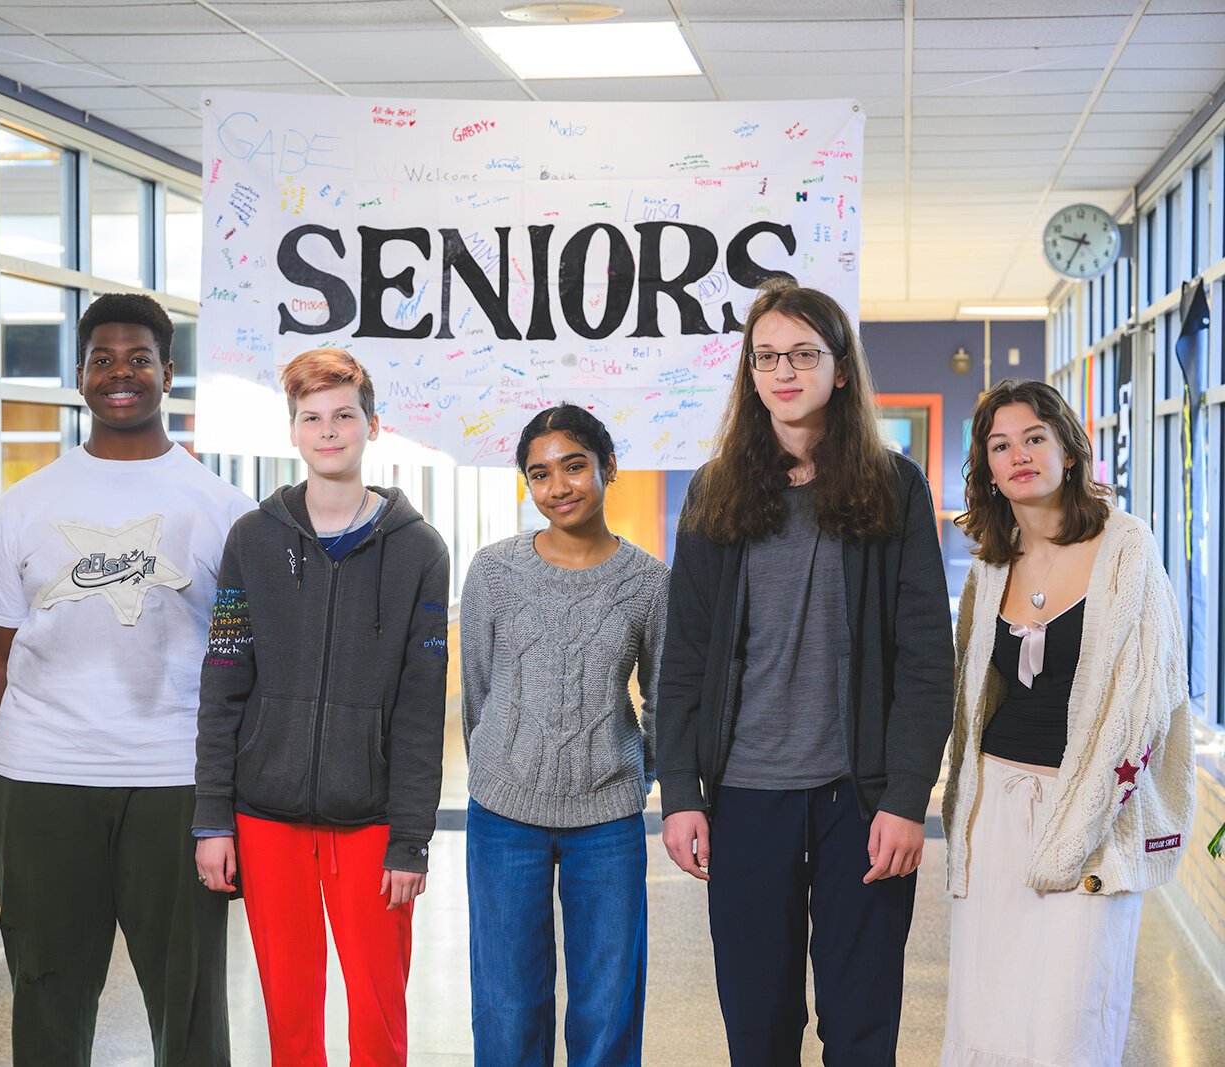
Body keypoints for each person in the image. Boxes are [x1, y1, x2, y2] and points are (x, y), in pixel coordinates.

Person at [656, 281, 953, 1065]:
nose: (784, 371)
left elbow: (927, 656)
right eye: (767, 357)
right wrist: (681, 793)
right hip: (746, 794)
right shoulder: (714, 493)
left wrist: (906, 797)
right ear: (750, 374)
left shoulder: (894, 487)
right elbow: (682, 657)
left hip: (861, 798)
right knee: (758, 1025)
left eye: (803, 354)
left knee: (861, 1027)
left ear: (840, 368)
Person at [0, 293, 252, 1066]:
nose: (119, 373)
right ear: (80, 373)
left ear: (167, 370)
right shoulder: (25, 504)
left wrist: (235, 801)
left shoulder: (226, 508)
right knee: (47, 997)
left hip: (175, 783)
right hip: (39, 778)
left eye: (138, 358)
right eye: (102, 359)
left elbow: (247, 666)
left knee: (189, 1009)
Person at [193, 347, 449, 1067]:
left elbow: (421, 710)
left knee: (378, 1016)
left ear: (374, 425)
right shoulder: (251, 538)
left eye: (344, 415)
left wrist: (410, 839)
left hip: (369, 819)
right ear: (294, 430)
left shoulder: (421, 549)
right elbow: (223, 682)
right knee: (289, 1016)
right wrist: (214, 818)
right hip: (265, 814)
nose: (329, 430)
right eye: (313, 417)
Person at [941, 379, 1194, 1066]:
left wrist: (1071, 836)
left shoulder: (1126, 547)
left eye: (1034, 437)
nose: (1018, 454)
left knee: (1069, 1022)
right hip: (994, 806)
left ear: (1069, 449)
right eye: (1000, 444)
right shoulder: (990, 563)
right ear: (986, 469)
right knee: (987, 1015)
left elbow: (1146, 703)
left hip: (1091, 818)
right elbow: (971, 694)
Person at [458, 403, 667, 1067]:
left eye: (574, 465)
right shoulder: (493, 571)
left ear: (607, 467)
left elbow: (665, 698)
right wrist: (499, 766)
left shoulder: (650, 583)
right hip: (503, 815)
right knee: (506, 1000)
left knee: (607, 1003)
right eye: (539, 473)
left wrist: (634, 772)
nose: (559, 486)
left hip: (607, 817)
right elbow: (478, 691)